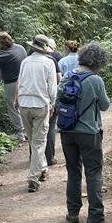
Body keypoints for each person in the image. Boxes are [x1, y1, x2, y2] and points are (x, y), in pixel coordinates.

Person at [57, 43, 112, 223]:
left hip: (67, 131)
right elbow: (105, 106)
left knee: (73, 171)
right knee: (94, 173)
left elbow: (58, 101)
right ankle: (96, 217)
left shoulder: (67, 76)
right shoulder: (95, 80)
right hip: (89, 133)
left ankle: (73, 213)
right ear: (98, 61)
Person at [17, 36, 58, 192]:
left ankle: (43, 169)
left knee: (33, 141)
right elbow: (52, 88)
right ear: (45, 48)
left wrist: (17, 100)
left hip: (24, 104)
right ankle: (33, 178)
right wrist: (53, 103)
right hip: (40, 105)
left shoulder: (25, 62)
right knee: (39, 142)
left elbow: (20, 82)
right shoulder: (49, 63)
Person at [45, 38, 62, 167]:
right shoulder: (54, 58)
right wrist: (53, 101)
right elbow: (58, 79)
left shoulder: (26, 60)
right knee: (50, 127)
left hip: (29, 100)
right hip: (48, 99)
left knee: (35, 130)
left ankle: (34, 157)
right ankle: (49, 157)